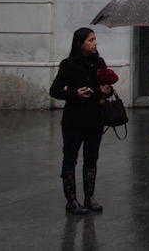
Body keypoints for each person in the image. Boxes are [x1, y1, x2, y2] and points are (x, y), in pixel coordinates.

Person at [49, 27, 114, 215]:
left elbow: (106, 87)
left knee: (91, 158)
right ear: (80, 44)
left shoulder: (99, 63)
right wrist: (74, 93)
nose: (95, 43)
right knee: (70, 158)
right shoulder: (69, 65)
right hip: (74, 120)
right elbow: (55, 90)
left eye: (95, 39)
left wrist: (107, 90)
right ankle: (71, 200)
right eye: (90, 40)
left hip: (95, 119)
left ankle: (89, 197)